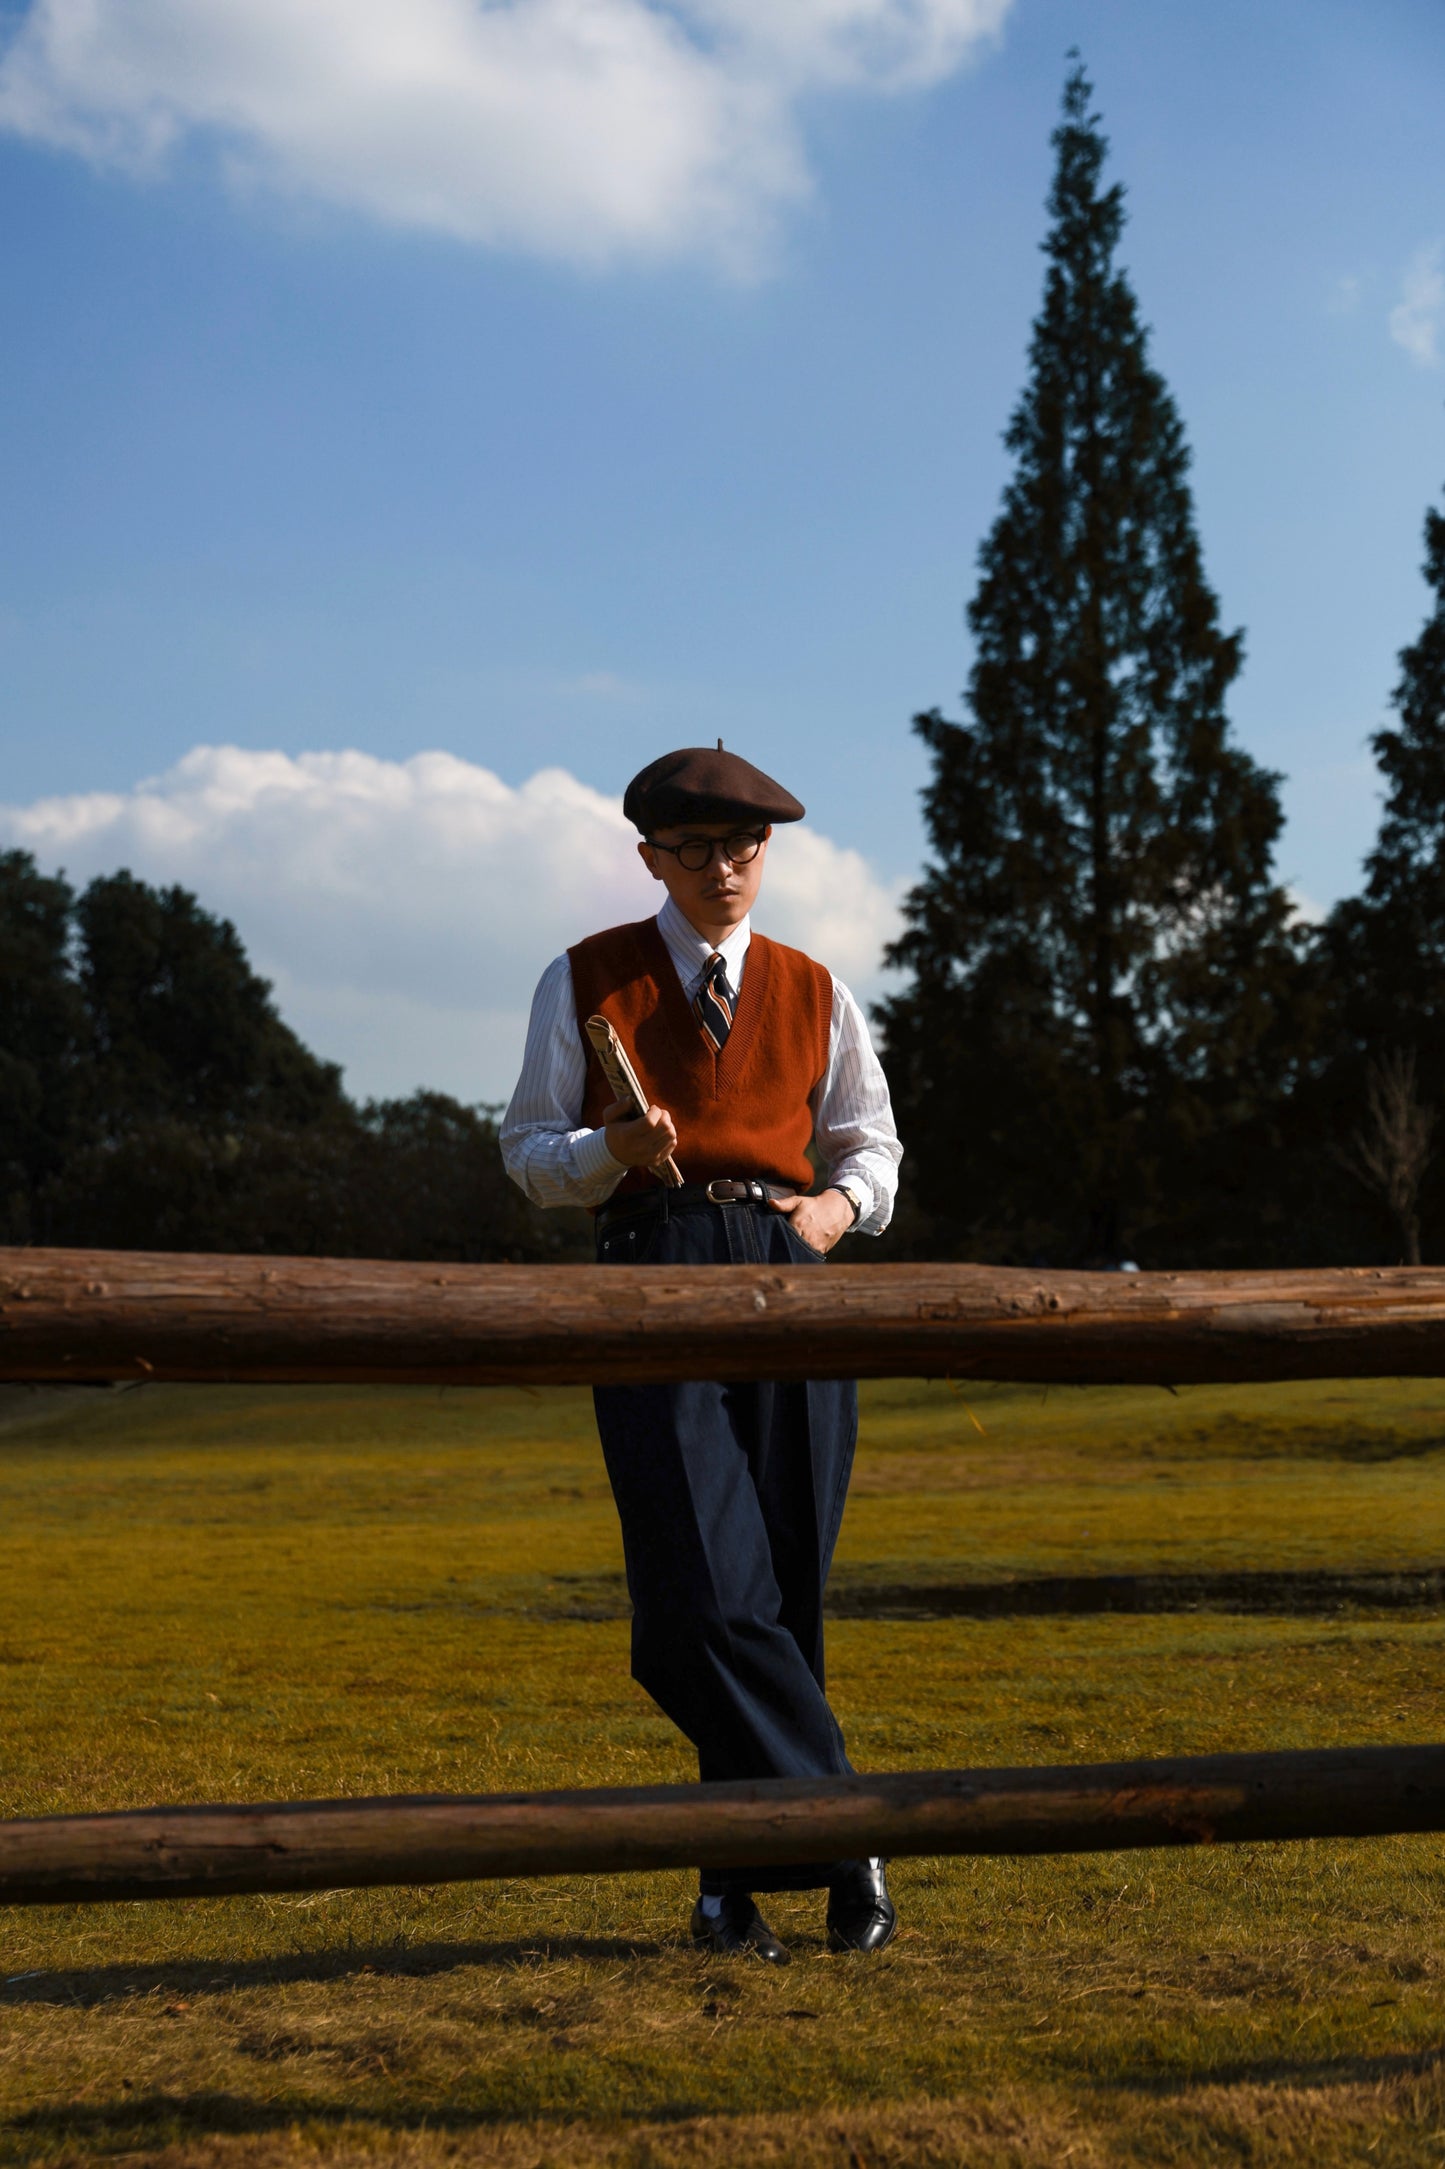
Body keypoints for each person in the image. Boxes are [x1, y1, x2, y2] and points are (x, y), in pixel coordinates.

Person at [501, 744, 903, 1963]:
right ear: (650, 860)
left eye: (742, 850)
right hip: (652, 1264)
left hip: (793, 1275)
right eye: (694, 852)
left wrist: (831, 1216)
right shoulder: (586, 979)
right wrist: (610, 1152)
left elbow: (869, 1150)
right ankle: (853, 1831)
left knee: (782, 1586)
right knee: (698, 1597)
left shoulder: (815, 988)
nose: (723, 870)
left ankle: (731, 1890)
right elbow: (525, 1151)